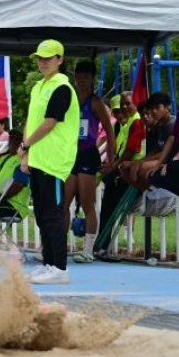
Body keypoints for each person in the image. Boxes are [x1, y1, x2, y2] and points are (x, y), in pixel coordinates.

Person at [20, 39, 79, 285]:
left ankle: (60, 267)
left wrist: (26, 145)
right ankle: (48, 263)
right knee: (43, 214)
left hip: (54, 160)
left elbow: (50, 122)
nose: (43, 62)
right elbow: (31, 120)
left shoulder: (62, 87)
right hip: (38, 158)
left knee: (54, 214)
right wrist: (25, 151)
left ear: (60, 59)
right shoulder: (38, 87)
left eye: (48, 57)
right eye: (40, 58)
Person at [63, 60, 115, 264]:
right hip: (69, 156)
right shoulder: (69, 99)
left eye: (86, 76)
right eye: (78, 75)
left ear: (93, 78)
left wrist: (110, 159)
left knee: (87, 203)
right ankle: (60, 246)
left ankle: (88, 249)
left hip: (87, 155)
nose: (81, 79)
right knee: (64, 203)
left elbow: (110, 132)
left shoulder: (96, 103)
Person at [98, 91, 145, 246]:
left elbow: (131, 150)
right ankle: (100, 243)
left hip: (132, 173)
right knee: (107, 206)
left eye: (127, 104)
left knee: (110, 206)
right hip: (123, 170)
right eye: (121, 105)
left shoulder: (137, 122)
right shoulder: (124, 124)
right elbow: (117, 148)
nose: (124, 108)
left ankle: (102, 244)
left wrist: (114, 166)